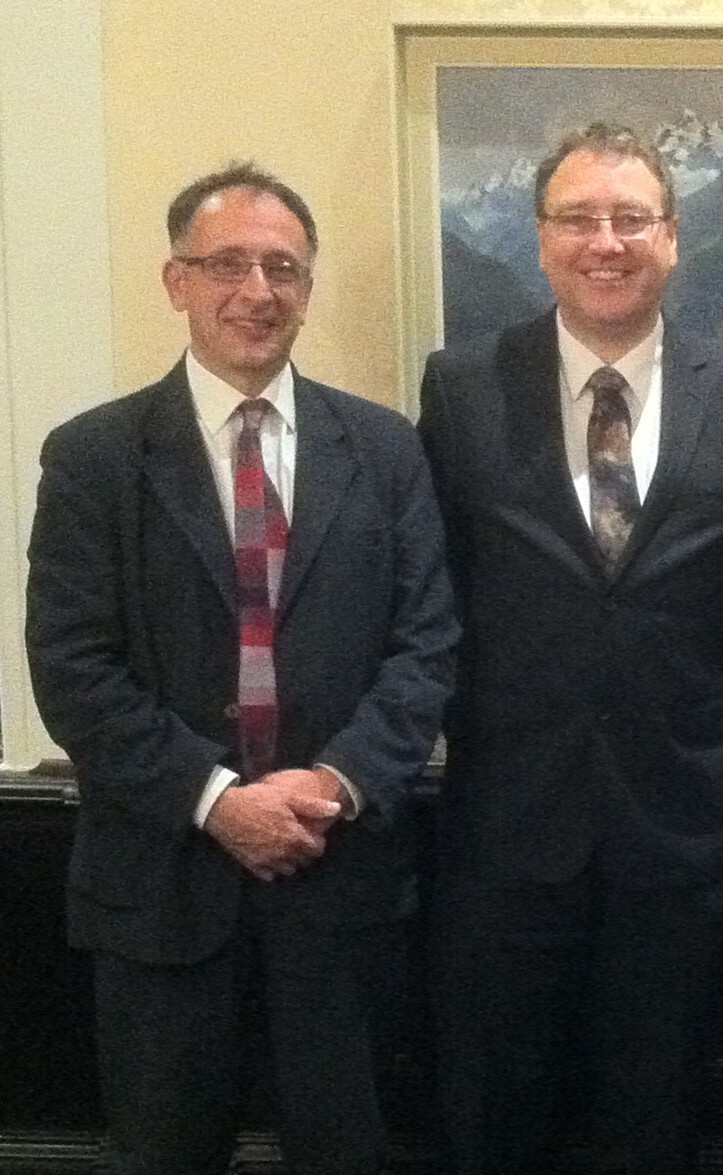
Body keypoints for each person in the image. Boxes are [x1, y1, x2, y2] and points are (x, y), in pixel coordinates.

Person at [24, 162, 458, 1175]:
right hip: (161, 889)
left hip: (338, 876)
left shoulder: (387, 451)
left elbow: (427, 641)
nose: (257, 290)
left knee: (351, 1151)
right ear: (176, 281)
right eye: (227, 264)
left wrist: (334, 781)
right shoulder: (92, 457)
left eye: (283, 267)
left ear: (308, 286)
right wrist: (219, 799)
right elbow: (73, 669)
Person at [417, 123, 723, 1175]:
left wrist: (676, 704)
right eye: (579, 219)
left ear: (673, 239)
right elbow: (433, 587)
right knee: (497, 1123)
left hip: (673, 837)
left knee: (656, 1124)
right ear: (541, 241)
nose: (605, 241)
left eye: (631, 219)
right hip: (506, 834)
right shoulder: (460, 388)